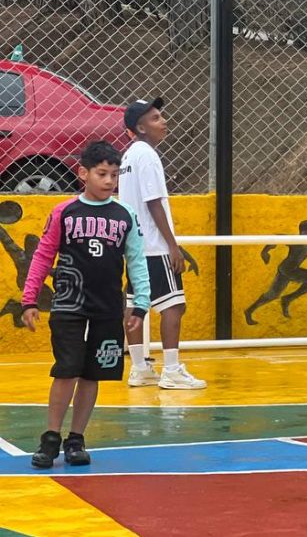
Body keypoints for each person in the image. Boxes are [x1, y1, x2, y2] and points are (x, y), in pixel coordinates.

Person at [21, 141, 151, 469]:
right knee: (67, 369)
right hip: (69, 304)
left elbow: (136, 260)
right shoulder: (64, 212)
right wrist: (29, 298)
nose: (109, 181)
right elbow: (43, 255)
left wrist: (141, 304)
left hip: (107, 307)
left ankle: (76, 438)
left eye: (114, 175)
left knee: (93, 373)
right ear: (83, 173)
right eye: (101, 173)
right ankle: (51, 437)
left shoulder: (125, 215)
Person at [119, 98, 206, 390]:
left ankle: (140, 368)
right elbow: (153, 202)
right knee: (174, 305)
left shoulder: (129, 156)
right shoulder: (147, 155)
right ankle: (171, 370)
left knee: (135, 302)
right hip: (154, 246)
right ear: (141, 128)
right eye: (156, 118)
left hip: (135, 246)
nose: (164, 121)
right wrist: (172, 245)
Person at [244, 220, 307, 325]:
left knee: (272, 295)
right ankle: (287, 299)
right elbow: (276, 237)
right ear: (303, 231)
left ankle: (250, 311)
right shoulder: (296, 241)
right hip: (288, 270)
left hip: (286, 270)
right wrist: (265, 252)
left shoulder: (306, 245)